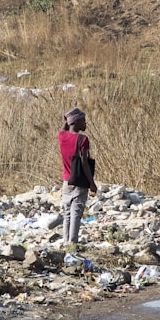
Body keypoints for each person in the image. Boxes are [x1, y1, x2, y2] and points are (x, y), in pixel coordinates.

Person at [58, 107, 97, 250]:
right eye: (83, 120)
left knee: (67, 212)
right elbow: (84, 162)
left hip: (66, 180)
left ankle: (66, 242)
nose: (85, 123)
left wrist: (66, 118)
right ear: (76, 122)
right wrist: (92, 183)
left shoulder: (62, 136)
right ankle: (72, 244)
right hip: (80, 181)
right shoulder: (83, 139)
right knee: (76, 213)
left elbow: (63, 128)